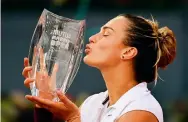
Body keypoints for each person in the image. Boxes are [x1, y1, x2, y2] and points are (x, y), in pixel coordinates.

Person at [22, 14, 176, 122]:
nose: (92, 38)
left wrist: (73, 118)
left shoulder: (142, 110)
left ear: (128, 52)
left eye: (106, 34)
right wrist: (44, 107)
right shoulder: (92, 103)